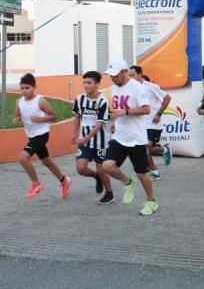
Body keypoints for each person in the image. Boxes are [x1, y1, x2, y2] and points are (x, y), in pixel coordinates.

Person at [102, 59, 157, 216]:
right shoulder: (113, 89)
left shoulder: (137, 88)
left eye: (115, 75)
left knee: (142, 174)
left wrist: (125, 112)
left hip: (137, 138)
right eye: (110, 75)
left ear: (125, 72)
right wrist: (115, 121)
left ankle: (151, 200)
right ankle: (128, 182)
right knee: (107, 166)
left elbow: (146, 109)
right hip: (119, 136)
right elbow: (118, 110)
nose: (113, 78)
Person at [13, 73, 71, 200]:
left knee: (23, 158)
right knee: (47, 161)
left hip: (42, 134)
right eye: (22, 88)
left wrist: (39, 119)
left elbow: (54, 116)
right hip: (31, 135)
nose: (24, 91)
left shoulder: (41, 101)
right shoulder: (19, 101)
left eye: (27, 88)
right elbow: (17, 115)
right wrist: (16, 119)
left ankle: (36, 184)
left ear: (34, 87)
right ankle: (64, 180)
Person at [72, 71, 113, 204]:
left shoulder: (103, 102)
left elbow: (99, 124)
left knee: (102, 169)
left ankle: (109, 193)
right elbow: (77, 116)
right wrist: (75, 133)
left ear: (97, 84)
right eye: (84, 82)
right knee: (81, 168)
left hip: (101, 142)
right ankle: (96, 177)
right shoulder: (80, 99)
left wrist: (86, 138)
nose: (85, 85)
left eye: (89, 82)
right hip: (85, 140)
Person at [129, 66, 172, 180]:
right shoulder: (131, 89)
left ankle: (155, 170)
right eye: (129, 76)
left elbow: (167, 98)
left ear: (140, 74)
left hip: (153, 124)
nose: (130, 78)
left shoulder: (151, 87)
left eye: (132, 75)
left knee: (146, 148)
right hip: (140, 124)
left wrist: (159, 114)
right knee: (143, 149)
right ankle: (163, 152)